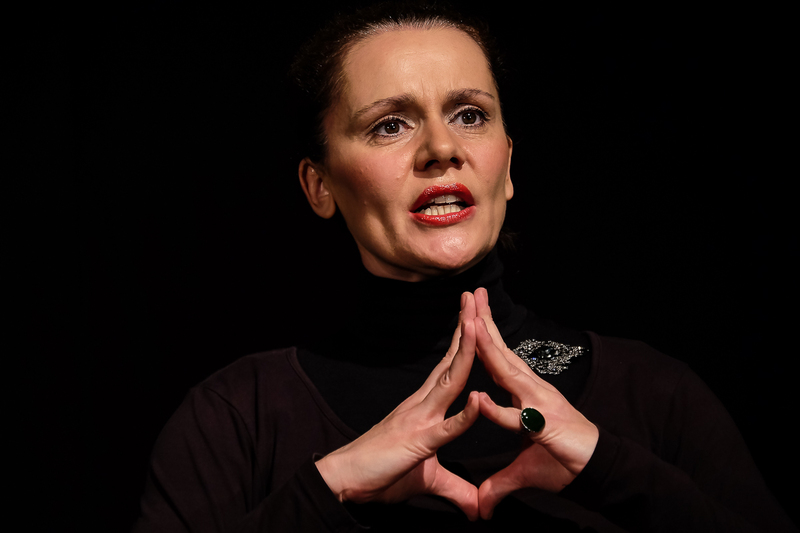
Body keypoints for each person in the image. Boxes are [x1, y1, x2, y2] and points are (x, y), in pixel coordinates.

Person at [131, 2, 795, 532]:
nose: (442, 148)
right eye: (390, 124)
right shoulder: (237, 418)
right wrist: (332, 485)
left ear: (507, 165)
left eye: (470, 115)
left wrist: (610, 467)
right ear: (319, 185)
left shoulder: (653, 395)